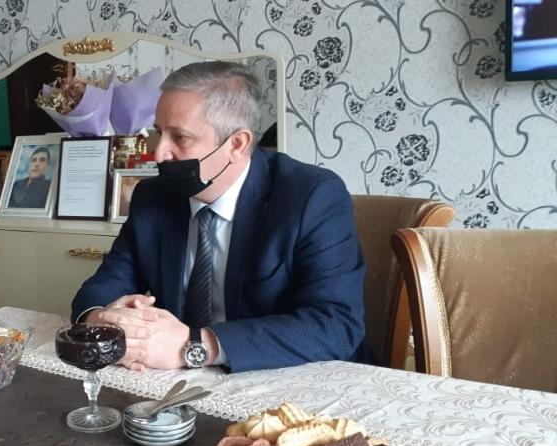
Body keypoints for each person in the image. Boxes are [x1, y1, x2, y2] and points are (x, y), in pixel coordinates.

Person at [71, 61, 364, 373]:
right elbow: (103, 287)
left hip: (290, 380)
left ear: (236, 144)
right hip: (173, 381)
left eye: (180, 137)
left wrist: (195, 345)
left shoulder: (311, 196)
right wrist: (103, 319)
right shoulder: (152, 196)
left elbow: (337, 324)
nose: (159, 154)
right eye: (159, 132)